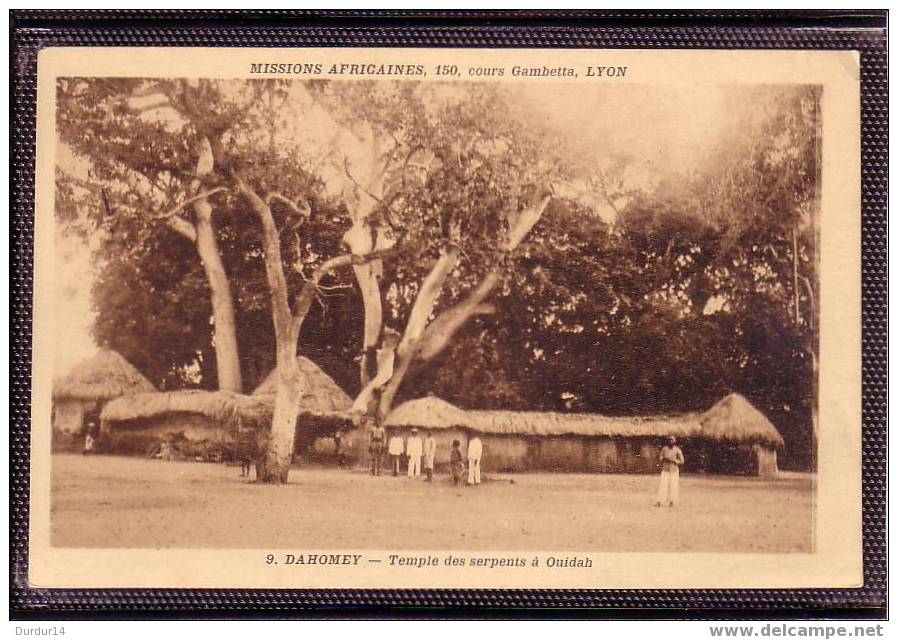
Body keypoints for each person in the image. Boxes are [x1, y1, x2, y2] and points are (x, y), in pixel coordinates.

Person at [656, 436, 685, 507]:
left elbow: (682, 461)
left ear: (675, 442)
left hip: (674, 470)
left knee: (674, 486)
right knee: (663, 486)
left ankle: (672, 501)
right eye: (669, 440)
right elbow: (660, 457)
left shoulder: (677, 450)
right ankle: (660, 501)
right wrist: (664, 459)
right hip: (665, 470)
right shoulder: (664, 449)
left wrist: (675, 461)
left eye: (672, 440)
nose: (670, 442)